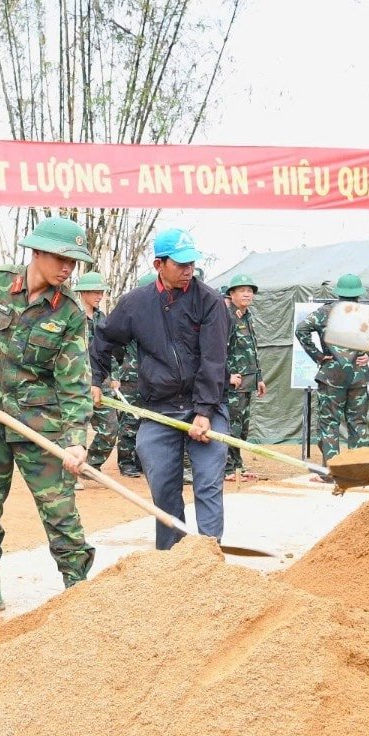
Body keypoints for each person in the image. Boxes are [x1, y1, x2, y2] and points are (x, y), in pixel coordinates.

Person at [0, 215, 98, 616]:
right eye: (62, 259)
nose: (68, 269)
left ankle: (77, 591)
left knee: (60, 511)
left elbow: (73, 382)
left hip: (39, 426)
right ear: (37, 252)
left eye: (74, 262)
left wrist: (76, 439)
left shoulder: (69, 313)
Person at [92, 227, 232, 550]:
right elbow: (103, 340)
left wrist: (204, 411)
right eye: (180, 264)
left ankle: (210, 556)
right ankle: (172, 560)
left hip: (206, 408)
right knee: (163, 487)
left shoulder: (209, 302)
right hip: (159, 408)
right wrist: (95, 379)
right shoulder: (135, 305)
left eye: (191, 264)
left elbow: (214, 360)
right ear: (159, 265)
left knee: (208, 482)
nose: (188, 271)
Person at [295, 273, 369, 473]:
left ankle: (333, 470)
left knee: (330, 423)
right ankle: (360, 469)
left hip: (332, 375)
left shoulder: (325, 311)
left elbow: (301, 329)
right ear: (359, 294)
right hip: (359, 376)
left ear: (338, 293)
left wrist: (319, 357)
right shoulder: (368, 314)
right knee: (357, 422)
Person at [77, 271, 123, 482]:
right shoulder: (72, 315)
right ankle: (69, 475)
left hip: (100, 380)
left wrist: (112, 374)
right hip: (75, 380)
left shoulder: (101, 318)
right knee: (74, 429)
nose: (99, 296)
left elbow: (107, 349)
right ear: (83, 292)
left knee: (110, 427)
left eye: (101, 292)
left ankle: (90, 466)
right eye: (95, 292)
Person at [222, 273, 264, 479]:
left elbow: (252, 349)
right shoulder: (227, 316)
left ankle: (237, 466)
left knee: (242, 427)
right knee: (231, 425)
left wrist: (260, 378)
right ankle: (228, 468)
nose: (247, 294)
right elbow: (218, 349)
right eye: (242, 290)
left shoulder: (248, 317)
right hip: (233, 383)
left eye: (250, 291)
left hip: (248, 381)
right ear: (232, 294)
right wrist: (226, 375)